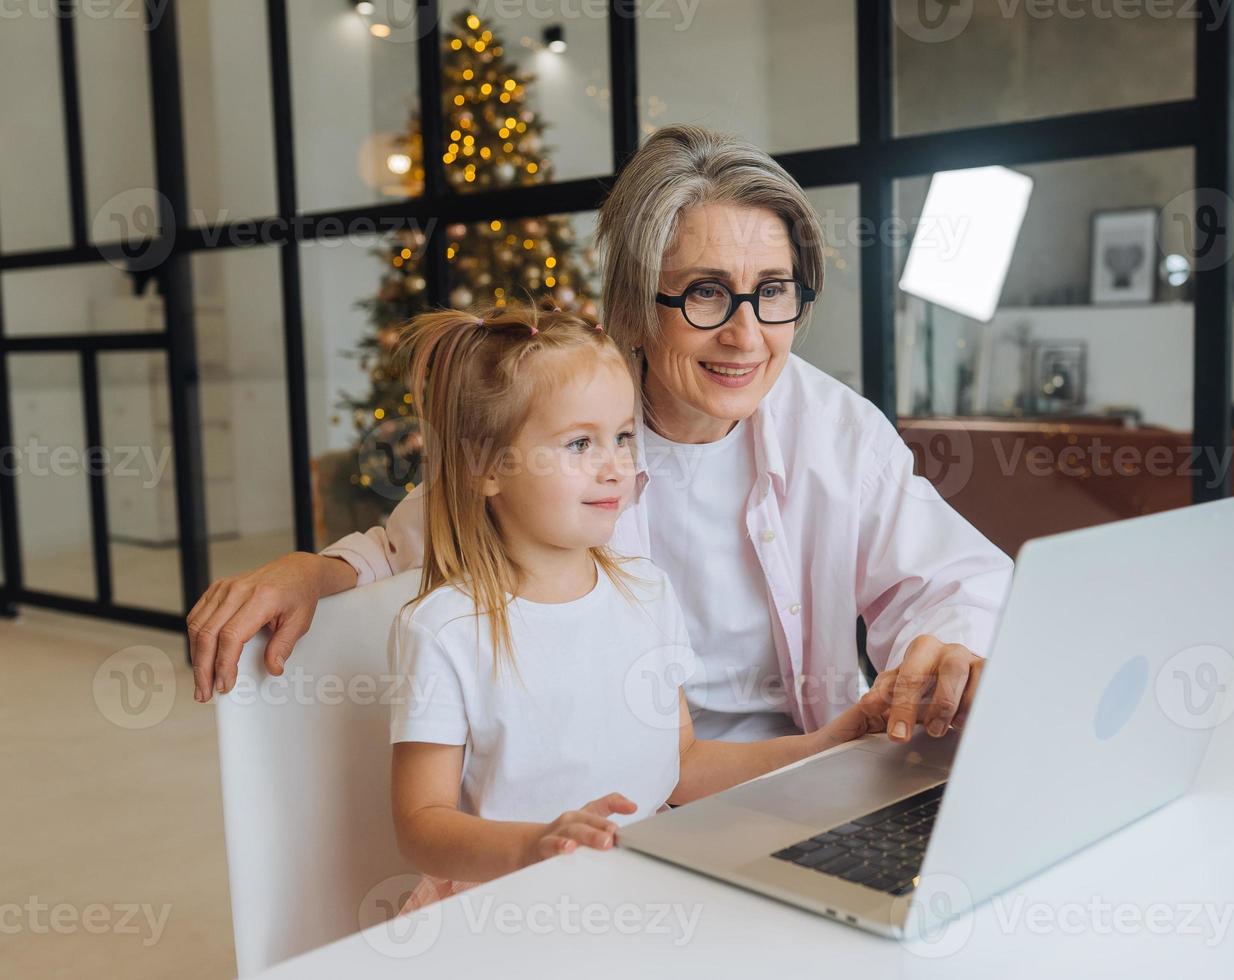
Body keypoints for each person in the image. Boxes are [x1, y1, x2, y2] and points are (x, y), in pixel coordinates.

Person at [189, 124, 1014, 746]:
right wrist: (312, 571)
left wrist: (942, 654)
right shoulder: (572, 424)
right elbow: (409, 544)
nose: (745, 335)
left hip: (804, 774)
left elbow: (954, 579)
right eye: (703, 295)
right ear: (631, 310)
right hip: (624, 798)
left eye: (772, 292)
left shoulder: (832, 427)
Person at [384, 302, 878, 913]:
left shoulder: (646, 592)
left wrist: (826, 745)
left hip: (636, 891)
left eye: (622, 436)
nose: (616, 463)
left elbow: (682, 764)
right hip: (503, 909)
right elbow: (421, 826)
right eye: (579, 443)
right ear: (488, 467)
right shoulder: (444, 629)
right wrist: (535, 847)